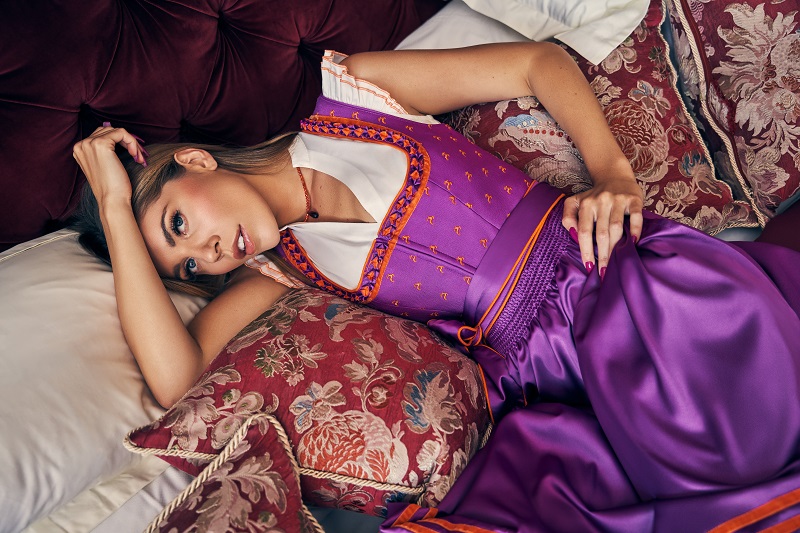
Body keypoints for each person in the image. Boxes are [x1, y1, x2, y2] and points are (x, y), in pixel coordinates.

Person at [72, 43, 800, 532]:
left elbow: (537, 64)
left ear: (197, 161)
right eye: (187, 268)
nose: (205, 255)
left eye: (177, 223)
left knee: (729, 440)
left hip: (606, 274)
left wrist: (612, 172)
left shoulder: (353, 96)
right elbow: (180, 378)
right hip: (541, 378)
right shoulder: (282, 272)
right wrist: (114, 207)